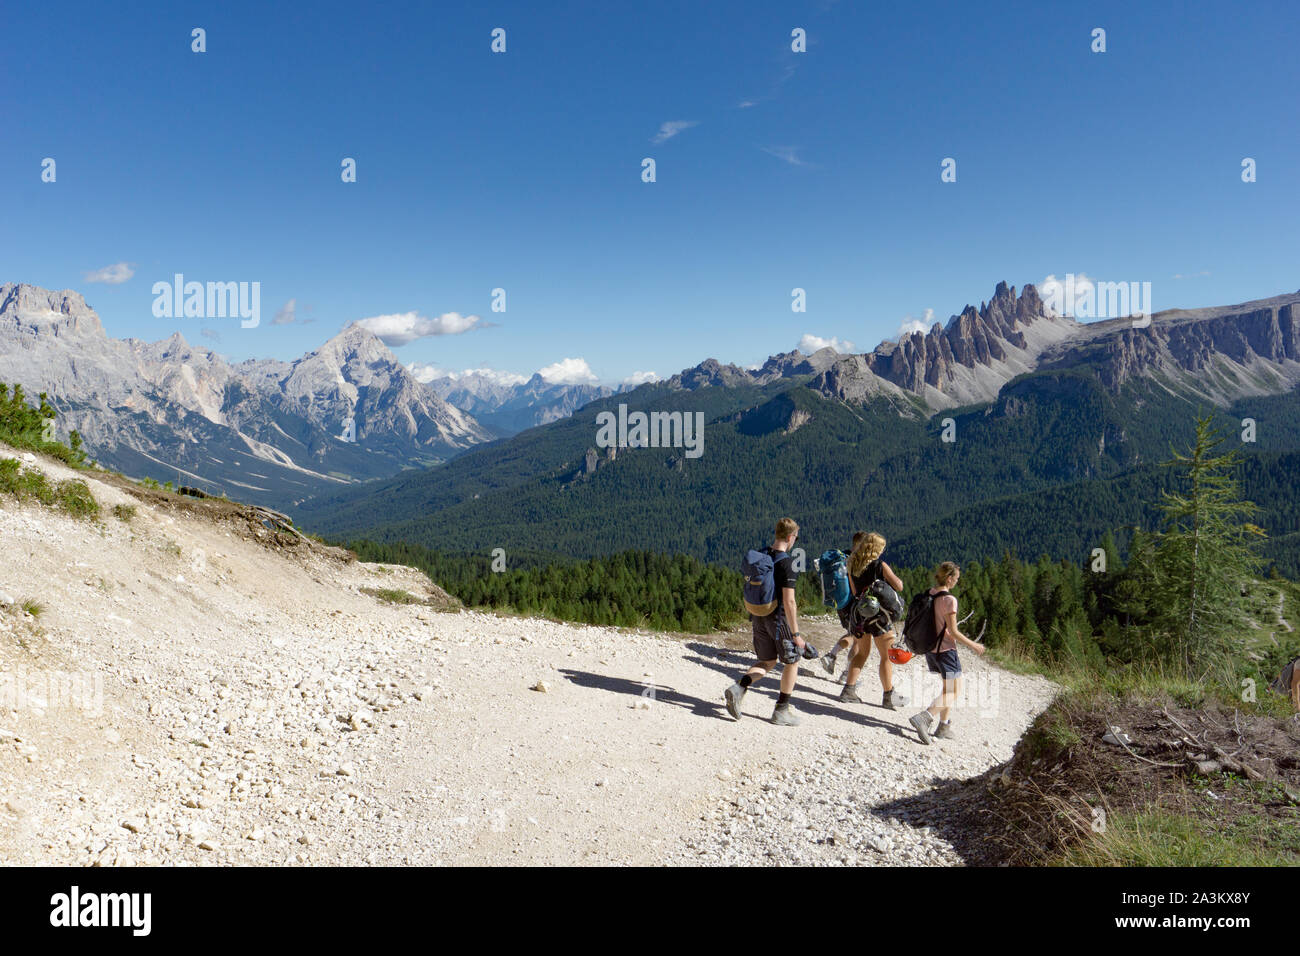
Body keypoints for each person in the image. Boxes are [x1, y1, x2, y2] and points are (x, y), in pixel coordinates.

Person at [725, 517, 806, 726]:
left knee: (768, 661)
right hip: (778, 620)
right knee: (792, 661)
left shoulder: (762, 555)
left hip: (758, 616)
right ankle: (781, 711)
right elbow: (789, 602)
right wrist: (796, 635)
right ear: (790, 537)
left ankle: (739, 687)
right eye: (795, 537)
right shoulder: (786, 563)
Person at [909, 562, 985, 744]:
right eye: (956, 579)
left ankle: (943, 726)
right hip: (946, 652)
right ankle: (925, 717)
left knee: (947, 689)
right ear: (949, 578)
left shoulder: (929, 593)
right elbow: (954, 632)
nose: (957, 582)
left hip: (931, 649)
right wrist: (974, 645)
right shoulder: (949, 600)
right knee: (955, 691)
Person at [838, 533, 909, 709]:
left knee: (862, 653)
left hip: (860, 615)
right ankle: (888, 696)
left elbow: (855, 593)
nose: (883, 550)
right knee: (886, 656)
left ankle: (848, 690)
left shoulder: (851, 564)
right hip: (879, 618)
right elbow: (898, 586)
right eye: (882, 547)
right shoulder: (880, 565)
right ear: (876, 549)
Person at [820, 531, 868, 678]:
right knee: (858, 640)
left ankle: (832, 656)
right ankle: (847, 673)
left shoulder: (843, 556)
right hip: (854, 605)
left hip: (842, 604)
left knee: (852, 635)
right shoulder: (857, 562)